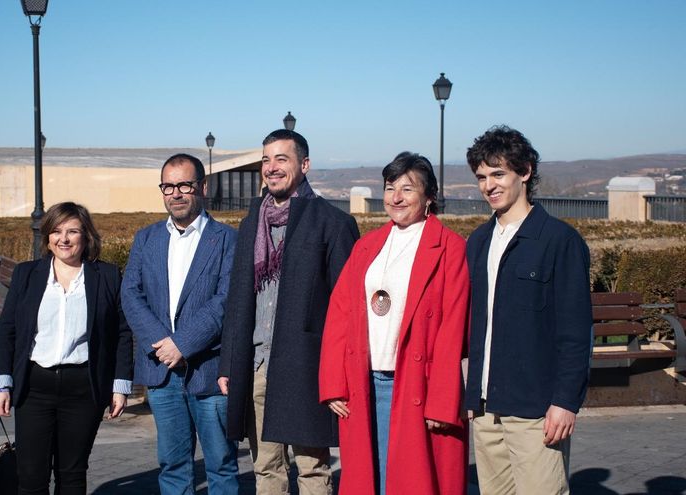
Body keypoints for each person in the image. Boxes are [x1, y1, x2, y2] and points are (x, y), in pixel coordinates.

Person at [218, 129, 360, 494]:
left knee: (312, 467)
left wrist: (341, 375)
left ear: (304, 165)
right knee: (266, 468)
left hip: (306, 368)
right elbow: (237, 299)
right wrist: (229, 363)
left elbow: (350, 308)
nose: (271, 167)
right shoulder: (252, 222)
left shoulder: (332, 222)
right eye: (266, 159)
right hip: (257, 366)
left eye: (282, 159)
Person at [318, 152, 469, 494]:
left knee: (406, 482)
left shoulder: (450, 248)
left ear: (430, 196)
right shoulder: (368, 246)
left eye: (407, 189)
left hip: (416, 383)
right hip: (364, 380)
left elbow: (453, 327)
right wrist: (332, 383)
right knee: (369, 480)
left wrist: (444, 400)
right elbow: (340, 313)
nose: (396, 197)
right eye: (389, 188)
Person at [464, 126, 593, 494]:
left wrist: (566, 402)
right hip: (487, 410)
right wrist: (472, 396)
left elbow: (575, 331)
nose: (489, 185)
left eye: (498, 173)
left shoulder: (560, 241)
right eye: (482, 177)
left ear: (526, 171)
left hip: (536, 409)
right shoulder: (478, 241)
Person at [0, 202, 133, 495]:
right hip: (35, 387)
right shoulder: (27, 274)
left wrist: (120, 385)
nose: (63, 239)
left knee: (72, 475)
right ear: (47, 237)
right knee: (31, 477)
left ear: (86, 236)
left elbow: (121, 332)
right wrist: (1, 382)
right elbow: (7, 330)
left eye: (72, 231)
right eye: (56, 231)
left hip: (83, 388)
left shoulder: (106, 276)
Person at [122, 153, 240, 494]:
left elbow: (226, 300)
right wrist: (163, 344)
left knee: (221, 465)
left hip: (209, 370)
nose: (176, 193)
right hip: (163, 373)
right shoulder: (146, 239)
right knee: (172, 467)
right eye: (168, 186)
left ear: (202, 187)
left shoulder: (227, 239)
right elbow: (131, 294)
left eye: (184, 185)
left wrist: (183, 343)